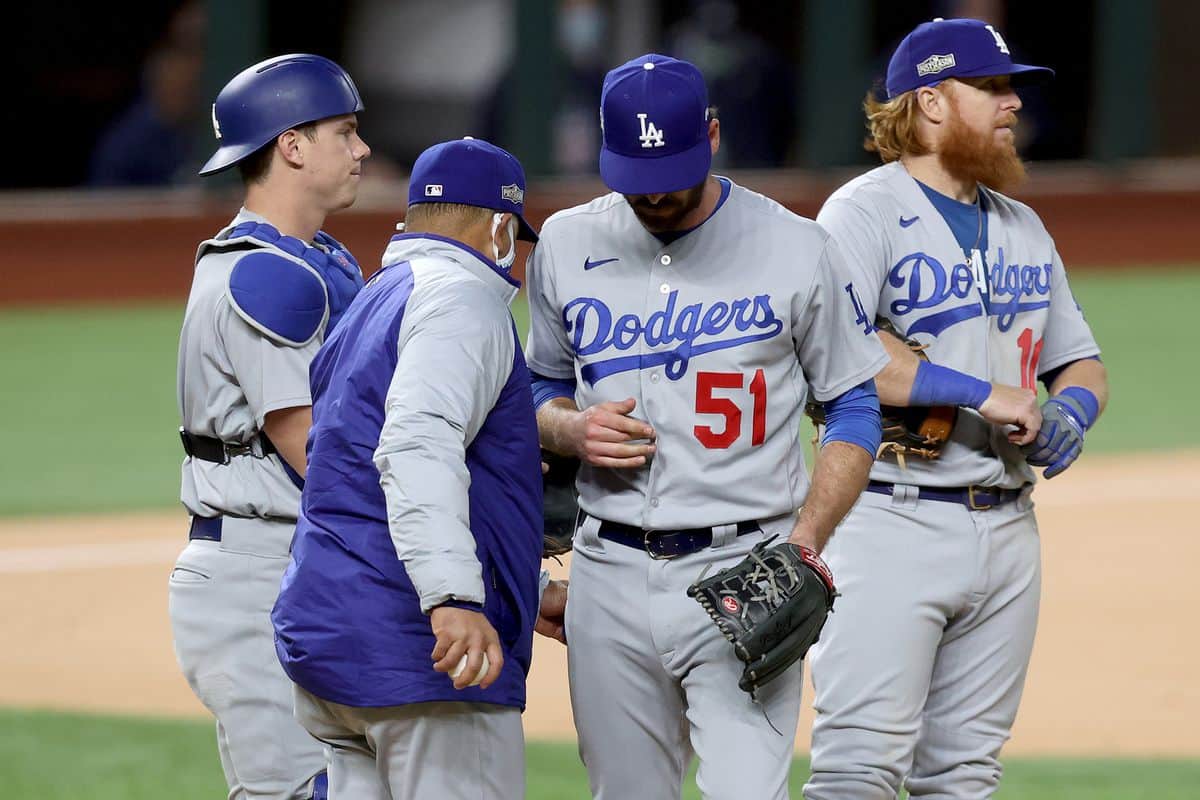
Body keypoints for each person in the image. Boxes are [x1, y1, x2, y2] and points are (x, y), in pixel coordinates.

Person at [525, 54, 889, 800]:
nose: (654, 193)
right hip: (607, 572)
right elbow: (538, 385)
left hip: (744, 571)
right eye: (635, 175)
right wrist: (566, 430)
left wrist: (808, 543)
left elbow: (853, 406)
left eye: (672, 170)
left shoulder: (796, 246)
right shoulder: (564, 242)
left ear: (715, 135)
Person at [805, 18, 1109, 799]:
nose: (1012, 104)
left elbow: (1082, 359)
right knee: (856, 772)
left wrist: (1072, 408)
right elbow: (849, 356)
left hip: (1008, 525)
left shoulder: (1023, 225)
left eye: (1013, 89)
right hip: (888, 520)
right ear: (933, 102)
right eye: (994, 88)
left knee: (967, 777)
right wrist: (983, 393)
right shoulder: (860, 213)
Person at [270, 136, 568, 800]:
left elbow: (341, 460)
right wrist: (455, 596)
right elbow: (416, 447)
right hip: (417, 654)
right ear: (497, 226)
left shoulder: (373, 303)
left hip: (334, 637)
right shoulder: (462, 300)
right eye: (513, 239)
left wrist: (523, 579)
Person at [168, 53, 370, 800]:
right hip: (258, 576)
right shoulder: (267, 276)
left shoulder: (318, 259)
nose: (362, 150)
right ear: (292, 146)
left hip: (307, 562)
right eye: (344, 132)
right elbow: (319, 454)